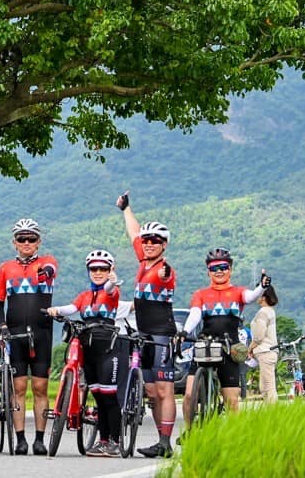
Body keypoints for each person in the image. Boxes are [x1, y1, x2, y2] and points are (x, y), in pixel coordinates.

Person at [117, 191, 177, 458]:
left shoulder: (165, 270)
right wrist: (126, 209)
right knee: (151, 392)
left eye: (155, 241)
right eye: (147, 240)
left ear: (164, 245)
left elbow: (165, 276)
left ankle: (166, 442)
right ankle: (159, 440)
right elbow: (134, 233)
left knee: (164, 390)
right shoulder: (142, 261)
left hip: (162, 334)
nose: (149, 243)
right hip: (143, 333)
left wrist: (164, 273)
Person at [45, 249, 122, 456]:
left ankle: (115, 441)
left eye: (103, 269)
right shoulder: (85, 295)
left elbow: (111, 288)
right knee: (97, 397)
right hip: (89, 350)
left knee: (109, 398)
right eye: (94, 269)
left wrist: (113, 280)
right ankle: (103, 440)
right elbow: (71, 308)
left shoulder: (111, 291)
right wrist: (55, 310)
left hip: (107, 348)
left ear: (109, 270)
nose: (98, 272)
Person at [0, 217, 57, 455]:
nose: (26, 242)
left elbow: (50, 272)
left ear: (38, 242)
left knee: (40, 387)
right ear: (14, 243)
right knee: (18, 387)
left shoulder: (48, 262)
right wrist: (2, 325)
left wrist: (44, 271)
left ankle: (39, 439)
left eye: (31, 238)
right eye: (22, 239)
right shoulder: (5, 269)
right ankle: (20, 439)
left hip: (42, 333)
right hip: (16, 335)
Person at [181, 249, 270, 421]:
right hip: (205, 345)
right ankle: (189, 432)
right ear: (208, 272)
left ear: (230, 269)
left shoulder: (238, 292)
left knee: (232, 401)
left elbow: (251, 297)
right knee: (189, 396)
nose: (219, 271)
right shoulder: (201, 294)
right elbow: (195, 314)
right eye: (214, 268)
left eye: (224, 267)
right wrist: (185, 331)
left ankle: (235, 437)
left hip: (229, 348)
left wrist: (262, 287)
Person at [249, 284, 280, 403]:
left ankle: (273, 412)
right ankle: (270, 411)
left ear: (263, 296)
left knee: (268, 387)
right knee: (264, 387)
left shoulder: (263, 312)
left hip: (265, 351)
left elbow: (259, 336)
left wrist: (250, 348)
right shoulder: (270, 311)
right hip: (269, 351)